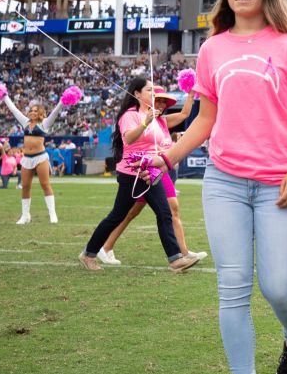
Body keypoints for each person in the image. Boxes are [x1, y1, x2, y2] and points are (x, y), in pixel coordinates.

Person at [141, 0, 287, 374]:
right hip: (223, 181)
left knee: (278, 286)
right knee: (232, 289)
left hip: (279, 183)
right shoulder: (213, 49)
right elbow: (204, 118)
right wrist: (169, 155)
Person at [79, 79, 200, 274]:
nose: (154, 93)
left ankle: (176, 259)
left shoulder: (157, 117)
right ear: (137, 94)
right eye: (149, 90)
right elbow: (128, 138)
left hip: (151, 171)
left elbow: (178, 120)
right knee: (117, 216)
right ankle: (89, 253)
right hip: (131, 173)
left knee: (164, 212)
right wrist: (145, 122)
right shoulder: (131, 115)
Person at [2, 92, 75, 224]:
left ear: (40, 113)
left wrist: (62, 101)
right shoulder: (25, 122)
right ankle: (25, 216)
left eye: (35, 111)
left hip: (40, 157)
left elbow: (55, 112)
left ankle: (52, 214)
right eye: (31, 110)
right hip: (27, 158)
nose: (32, 112)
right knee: (25, 186)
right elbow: (14, 109)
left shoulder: (45, 124)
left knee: (45, 184)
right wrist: (5, 96)